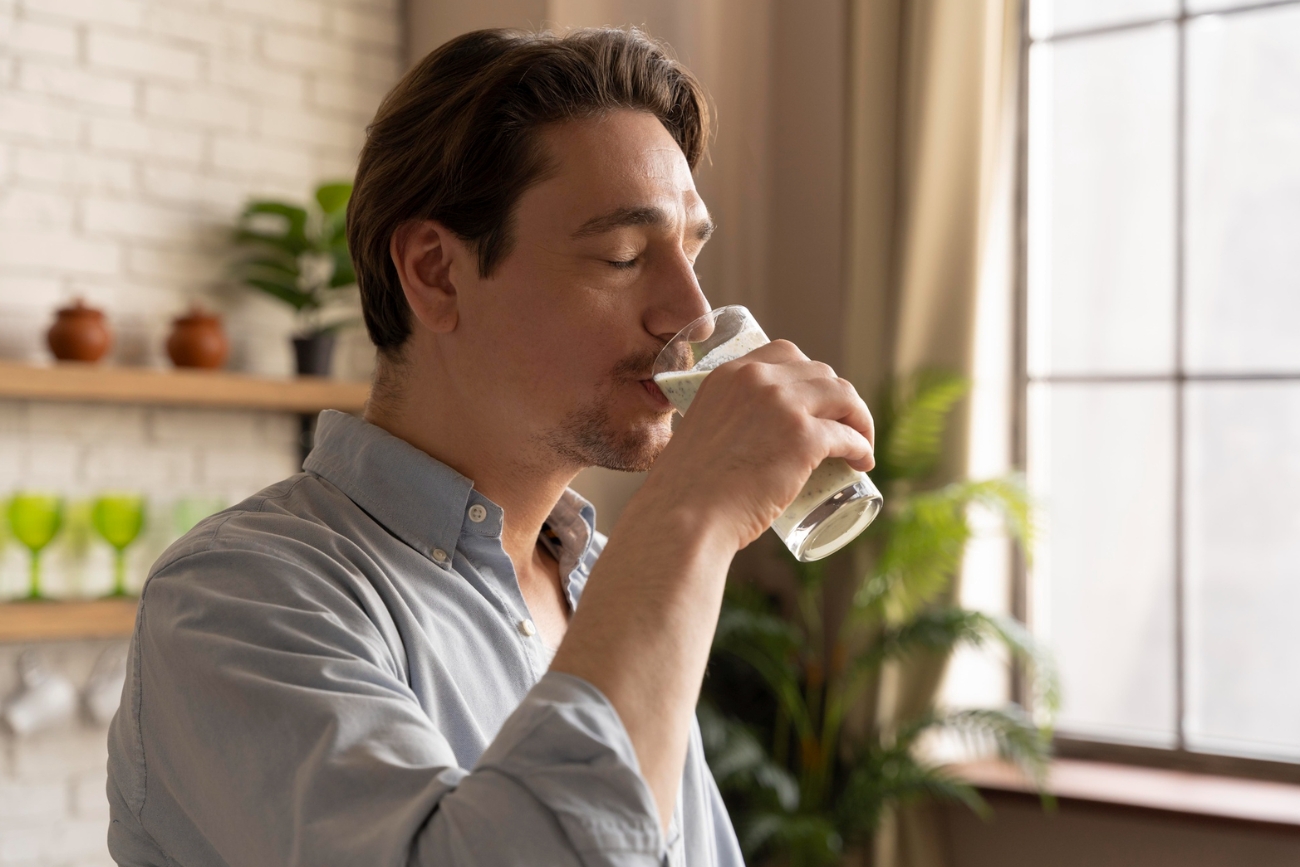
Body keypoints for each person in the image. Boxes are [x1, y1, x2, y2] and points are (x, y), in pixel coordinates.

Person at [106, 27, 875, 866]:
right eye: (622, 255)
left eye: (692, 252)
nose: (691, 314)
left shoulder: (599, 582)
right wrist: (693, 513)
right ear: (435, 273)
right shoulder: (241, 599)